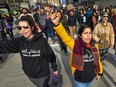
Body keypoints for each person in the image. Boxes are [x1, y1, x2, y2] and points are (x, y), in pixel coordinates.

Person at [0, 16, 58, 87]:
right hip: (30, 75)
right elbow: (4, 46)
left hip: (42, 75)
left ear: (32, 27)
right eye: (20, 28)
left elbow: (51, 55)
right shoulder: (20, 41)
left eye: (25, 27)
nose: (22, 30)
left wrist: (55, 68)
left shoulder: (42, 41)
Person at [51, 12, 103, 87]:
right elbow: (65, 38)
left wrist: (99, 72)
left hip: (91, 78)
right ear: (80, 35)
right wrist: (57, 24)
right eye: (85, 33)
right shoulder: (75, 44)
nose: (88, 35)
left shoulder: (94, 45)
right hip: (80, 80)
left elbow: (97, 60)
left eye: (90, 33)